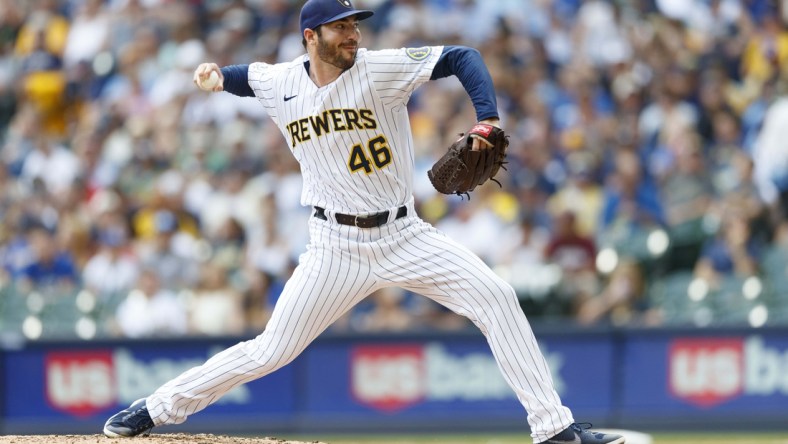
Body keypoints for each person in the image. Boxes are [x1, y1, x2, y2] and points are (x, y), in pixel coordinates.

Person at [102, 1, 625, 443]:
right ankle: (158, 409)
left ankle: (555, 430)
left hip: (404, 233)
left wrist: (485, 115)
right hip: (334, 246)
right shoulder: (281, 81)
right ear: (312, 37)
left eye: (356, 25)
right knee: (271, 350)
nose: (353, 34)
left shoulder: (380, 67)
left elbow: (463, 57)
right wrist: (216, 77)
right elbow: (244, 78)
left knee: (496, 297)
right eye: (343, 26)